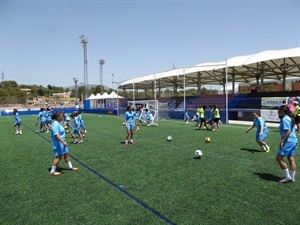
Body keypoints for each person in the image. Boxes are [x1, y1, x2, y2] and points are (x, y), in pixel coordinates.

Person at [49, 112, 79, 176]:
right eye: (61, 116)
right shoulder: (55, 124)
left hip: (62, 141)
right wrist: (63, 142)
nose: (62, 117)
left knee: (66, 154)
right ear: (57, 117)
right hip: (58, 143)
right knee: (58, 157)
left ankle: (70, 167)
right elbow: (56, 135)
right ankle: (52, 171)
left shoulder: (59, 123)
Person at [276, 105, 298, 183]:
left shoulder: (285, 119)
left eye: (278, 110)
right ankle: (292, 178)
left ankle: (287, 177)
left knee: (279, 158)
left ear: (282, 111)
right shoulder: (289, 118)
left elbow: (288, 131)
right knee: (291, 159)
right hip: (294, 141)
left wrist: (282, 141)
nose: (278, 112)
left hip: (288, 141)